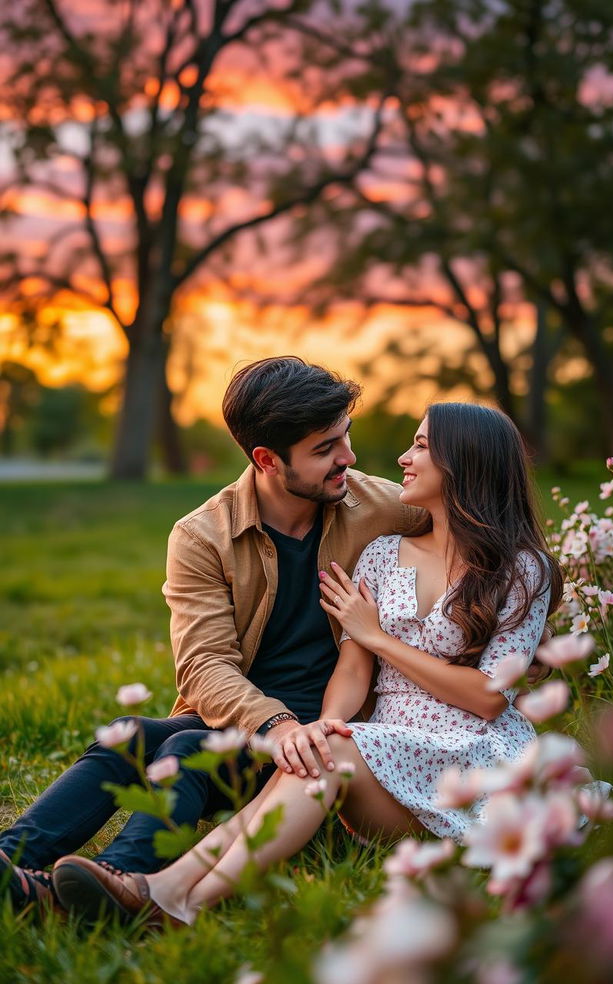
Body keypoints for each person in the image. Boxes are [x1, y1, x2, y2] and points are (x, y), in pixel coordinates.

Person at [50, 401, 563, 927]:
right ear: (268, 459)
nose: (403, 458)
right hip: (387, 760)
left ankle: (177, 897)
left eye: (422, 446)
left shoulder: (524, 569)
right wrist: (321, 723)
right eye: (411, 443)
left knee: (321, 750)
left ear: (467, 462)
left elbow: (486, 696)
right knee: (306, 747)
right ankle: (150, 888)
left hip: (476, 762)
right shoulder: (384, 554)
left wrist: (378, 638)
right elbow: (352, 668)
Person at [0, 357, 425, 914]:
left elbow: (496, 535)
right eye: (324, 449)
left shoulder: (384, 507)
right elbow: (203, 668)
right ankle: (12, 861)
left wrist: (531, 623)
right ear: (267, 460)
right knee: (127, 734)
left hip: (336, 734)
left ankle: (118, 883)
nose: (347, 457)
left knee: (185, 746)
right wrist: (274, 724)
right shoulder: (203, 536)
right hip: (254, 723)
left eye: (344, 437)